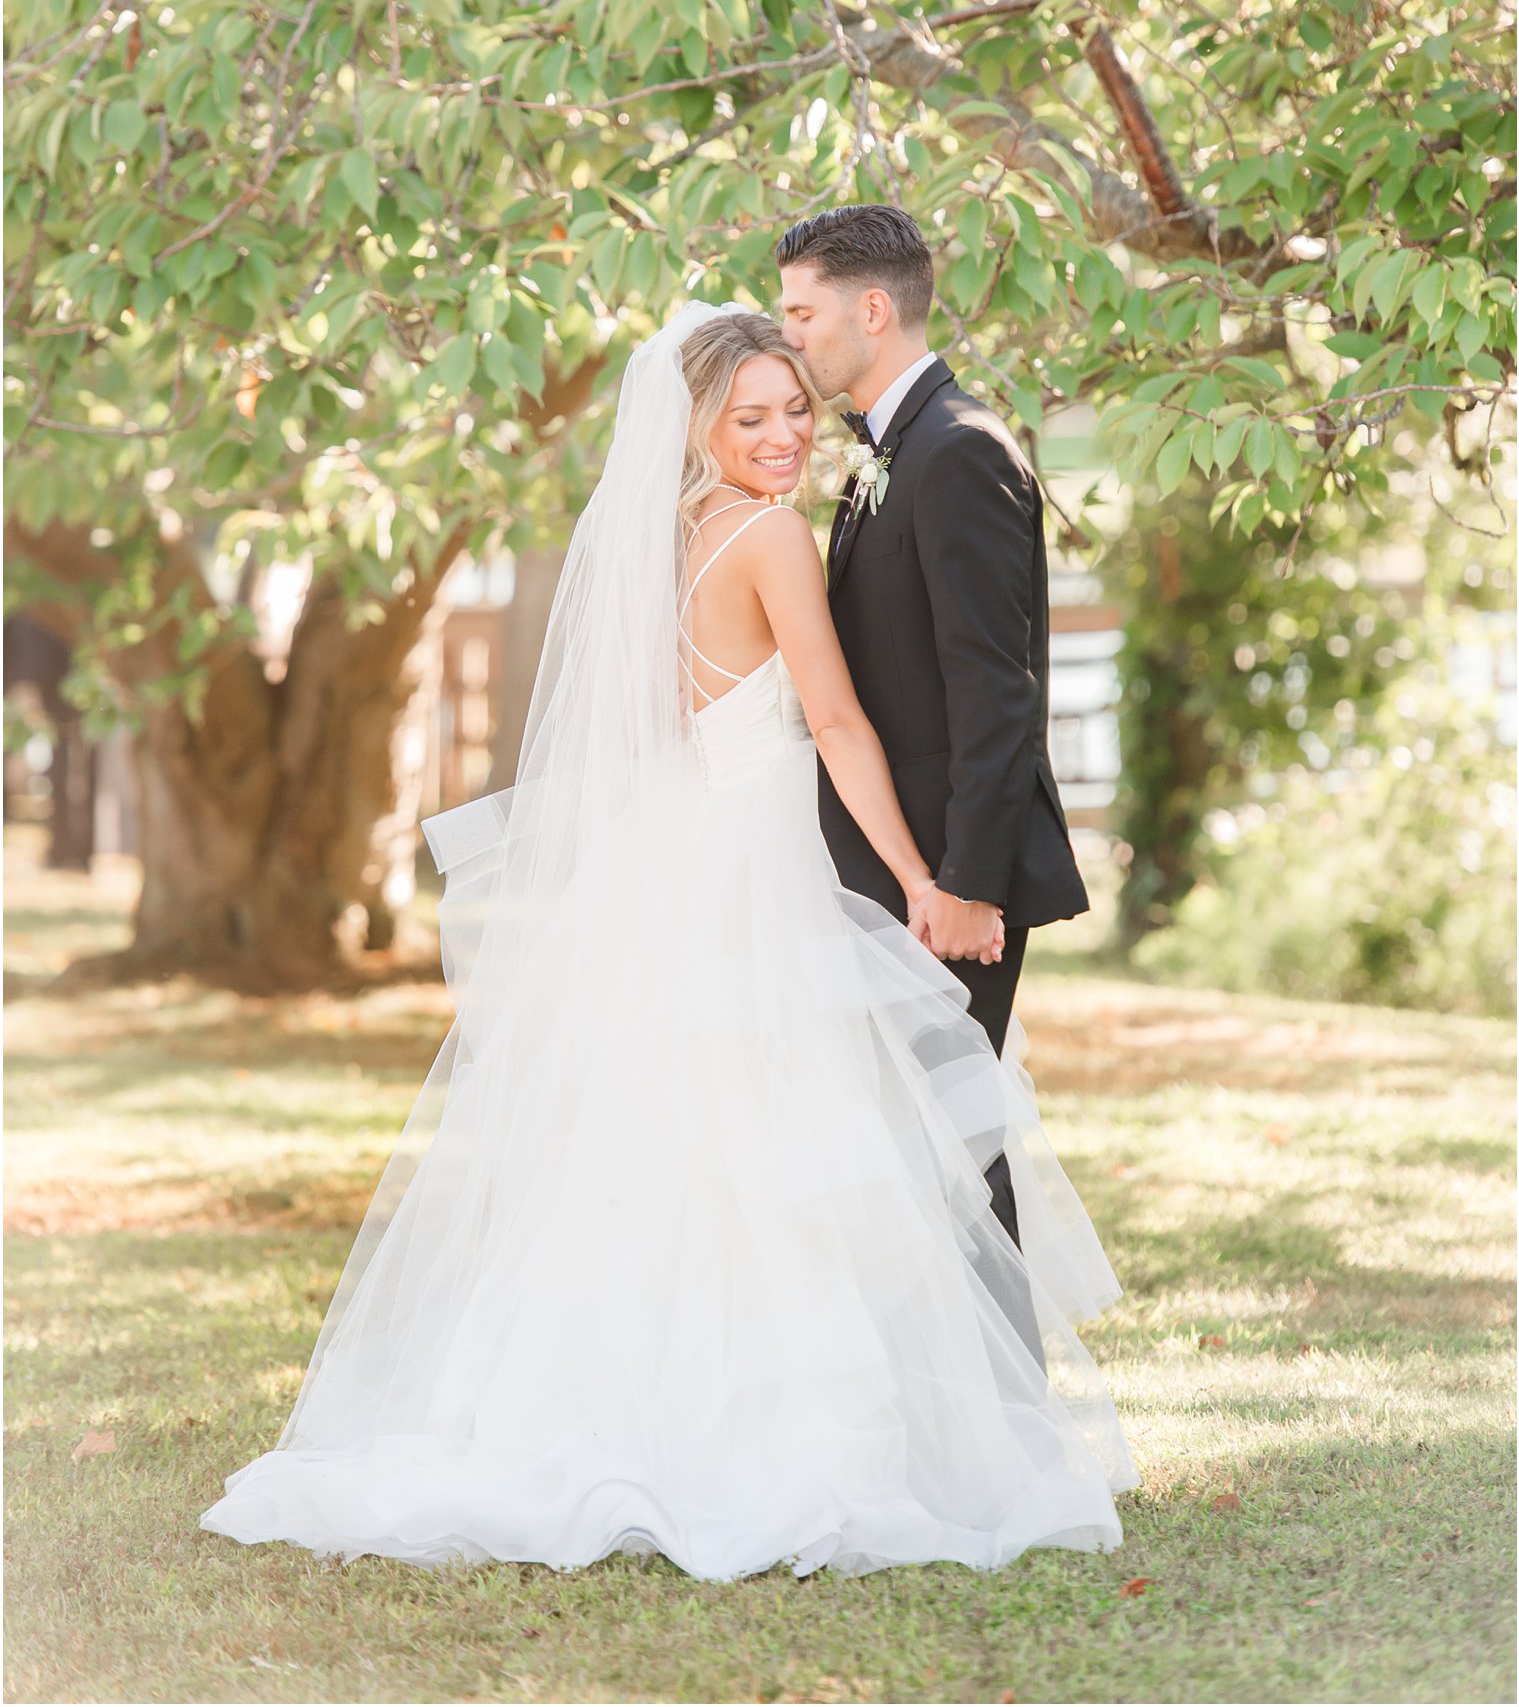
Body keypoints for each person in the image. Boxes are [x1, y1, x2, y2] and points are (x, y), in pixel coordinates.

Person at [200, 302, 1136, 1581]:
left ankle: (624, 1414)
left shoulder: (663, 538)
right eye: (747, 417)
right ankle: (787, 1443)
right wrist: (921, 878)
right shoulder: (766, 537)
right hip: (757, 863)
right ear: (696, 427)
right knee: (783, 1148)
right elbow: (841, 728)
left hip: (684, 849)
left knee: (661, 1148)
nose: (780, 434)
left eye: (791, 408)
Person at [778, 207, 1089, 1258]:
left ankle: (1001, 1414)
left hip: (947, 874)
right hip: (892, 859)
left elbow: (994, 692)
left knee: (950, 1151)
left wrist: (965, 882)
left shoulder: (956, 452)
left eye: (801, 312)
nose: (790, 337)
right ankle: (949, 1414)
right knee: (910, 1149)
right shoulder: (892, 452)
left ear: (873, 308)